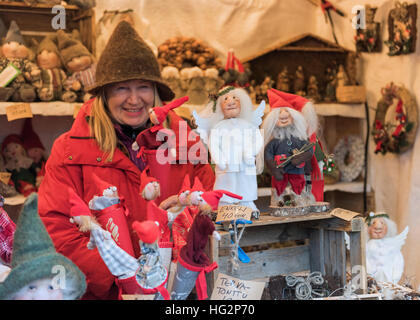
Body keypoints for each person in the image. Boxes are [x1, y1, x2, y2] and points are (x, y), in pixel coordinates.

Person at [37, 21, 214, 300]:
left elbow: (209, 201)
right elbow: (57, 228)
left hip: (177, 289)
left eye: (143, 87)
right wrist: (123, 280)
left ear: (155, 91)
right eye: (121, 88)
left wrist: (186, 246)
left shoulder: (185, 140)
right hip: (106, 293)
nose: (134, 99)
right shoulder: (69, 149)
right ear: (104, 94)